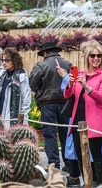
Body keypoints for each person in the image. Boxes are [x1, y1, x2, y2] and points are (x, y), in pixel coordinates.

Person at [64, 41, 102, 187]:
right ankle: (88, 182)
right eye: (93, 55)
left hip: (95, 118)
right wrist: (70, 84)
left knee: (95, 152)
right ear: (87, 57)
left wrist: (87, 86)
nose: (96, 58)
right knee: (79, 152)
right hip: (79, 117)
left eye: (99, 56)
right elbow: (67, 95)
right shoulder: (80, 74)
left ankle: (100, 183)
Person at [29, 41, 72, 172]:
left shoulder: (41, 66)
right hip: (66, 103)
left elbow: (32, 85)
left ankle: (54, 165)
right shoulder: (67, 64)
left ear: (45, 52)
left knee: (50, 135)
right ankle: (69, 164)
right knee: (66, 135)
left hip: (47, 104)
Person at [0, 47, 32, 129]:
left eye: (7, 61)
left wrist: (22, 120)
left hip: (13, 118)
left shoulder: (21, 76)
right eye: (3, 60)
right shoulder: (1, 75)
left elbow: (26, 100)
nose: (4, 63)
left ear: (14, 61)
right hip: (0, 116)